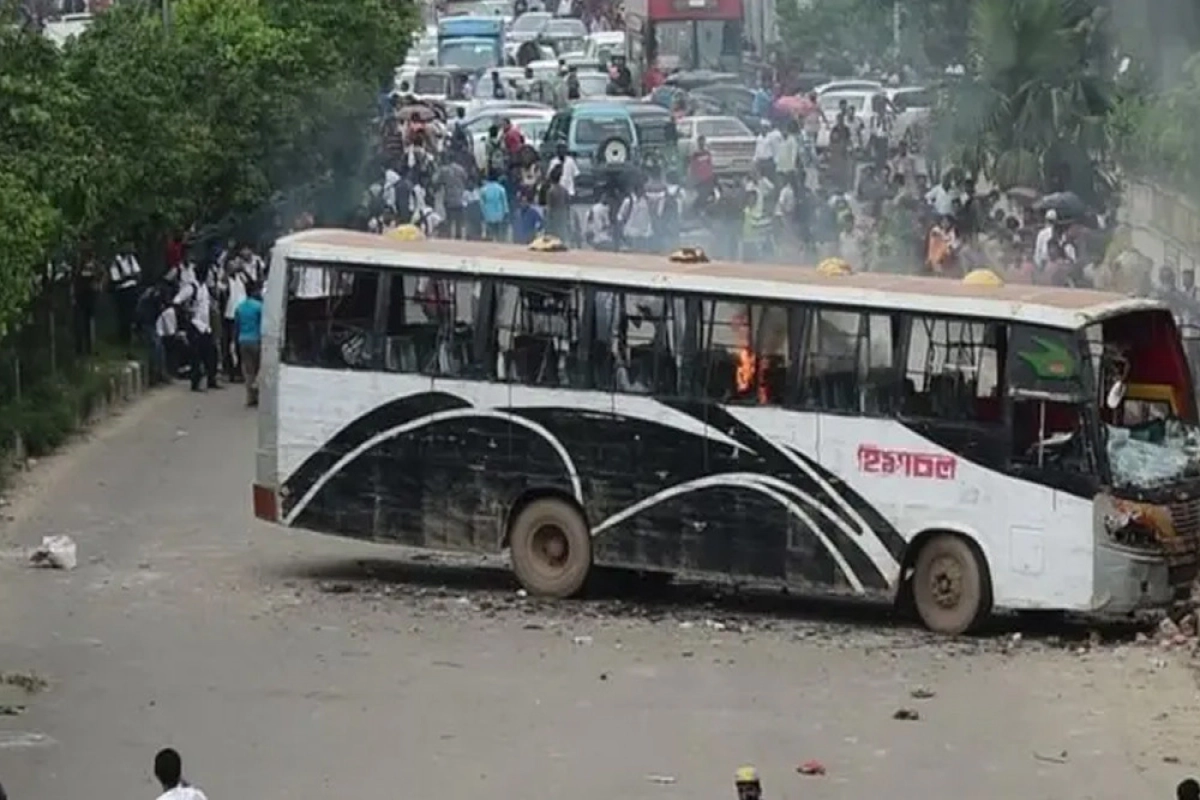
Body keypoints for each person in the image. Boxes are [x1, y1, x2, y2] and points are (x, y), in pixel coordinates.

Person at [234, 280, 264, 407]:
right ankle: (257, 395)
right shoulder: (259, 306)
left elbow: (236, 326)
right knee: (258, 369)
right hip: (256, 340)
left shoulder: (240, 307)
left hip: (243, 340)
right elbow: (263, 325)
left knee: (248, 370)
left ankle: (250, 397)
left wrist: (235, 342)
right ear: (254, 291)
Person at [480, 171, 510, 241]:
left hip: (487, 213)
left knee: (489, 231)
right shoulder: (501, 189)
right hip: (499, 213)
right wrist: (506, 212)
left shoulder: (483, 189)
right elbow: (504, 202)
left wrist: (482, 212)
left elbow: (482, 203)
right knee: (498, 231)